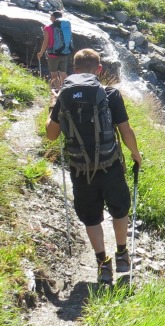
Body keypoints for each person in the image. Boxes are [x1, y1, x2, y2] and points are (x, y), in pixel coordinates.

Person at [46, 48, 142, 284]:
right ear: (99, 69)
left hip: (80, 169)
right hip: (110, 165)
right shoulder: (110, 94)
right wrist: (135, 153)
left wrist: (52, 106)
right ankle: (122, 254)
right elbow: (125, 131)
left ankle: (102, 263)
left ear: (75, 69)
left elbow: (51, 135)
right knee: (119, 209)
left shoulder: (64, 96)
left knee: (91, 218)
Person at [37, 11, 73, 92]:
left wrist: (41, 53)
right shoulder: (65, 27)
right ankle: (66, 90)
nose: (50, 18)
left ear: (53, 17)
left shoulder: (47, 28)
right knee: (63, 74)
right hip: (64, 52)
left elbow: (45, 42)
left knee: (54, 75)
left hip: (53, 55)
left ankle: (60, 91)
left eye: (51, 16)